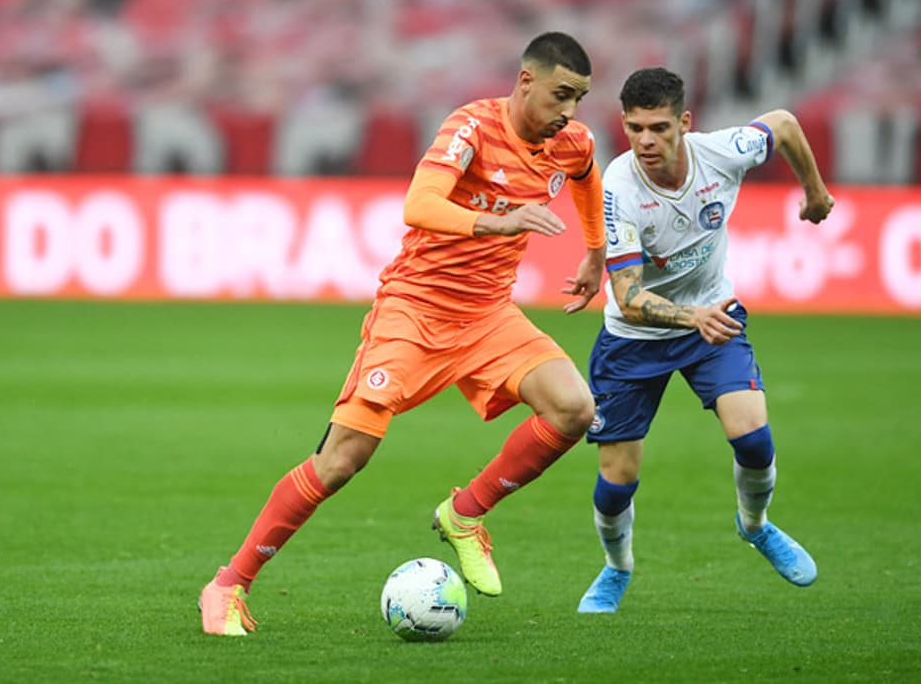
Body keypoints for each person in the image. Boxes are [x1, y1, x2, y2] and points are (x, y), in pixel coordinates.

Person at [199, 32, 610, 636]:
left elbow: (586, 176)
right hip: (413, 312)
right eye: (560, 95)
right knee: (343, 461)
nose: (569, 111)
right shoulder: (471, 126)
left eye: (578, 98)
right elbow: (419, 204)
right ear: (525, 82)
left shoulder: (571, 141)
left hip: (489, 316)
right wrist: (500, 222)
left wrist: (596, 254)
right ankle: (227, 584)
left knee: (575, 409)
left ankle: (465, 514)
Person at [576, 67, 835, 615]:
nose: (646, 141)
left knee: (754, 439)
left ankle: (755, 525)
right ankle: (616, 567)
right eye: (635, 128)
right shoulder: (618, 191)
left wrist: (814, 190)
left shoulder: (722, 153)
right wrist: (691, 317)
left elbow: (784, 124)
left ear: (685, 124)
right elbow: (626, 296)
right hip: (634, 339)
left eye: (659, 128)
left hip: (712, 316)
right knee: (617, 479)